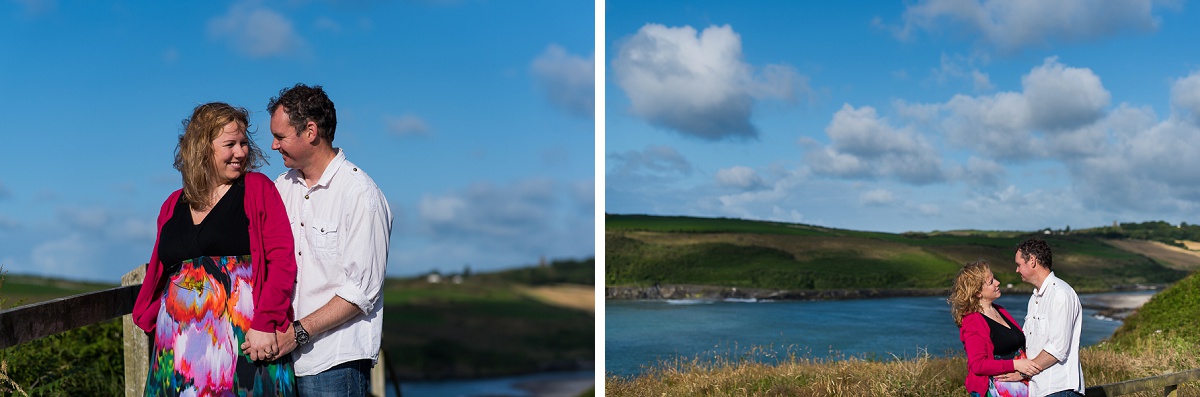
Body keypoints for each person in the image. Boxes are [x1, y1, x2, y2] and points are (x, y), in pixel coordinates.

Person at [132, 102, 297, 396]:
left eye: (244, 143)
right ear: (201, 148)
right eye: (230, 144)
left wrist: (266, 322)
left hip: (245, 342)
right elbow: (160, 268)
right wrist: (152, 318)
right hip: (178, 349)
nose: (241, 152)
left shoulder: (257, 189)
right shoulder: (173, 204)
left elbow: (281, 261)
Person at [262, 83, 393, 396]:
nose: (273, 145)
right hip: (283, 362)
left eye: (280, 137)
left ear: (310, 131)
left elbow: (362, 290)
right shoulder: (281, 188)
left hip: (335, 363)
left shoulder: (360, 194)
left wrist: (298, 333)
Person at [950, 260, 1042, 397]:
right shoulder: (972, 321)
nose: (997, 282)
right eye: (991, 281)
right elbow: (978, 365)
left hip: (1021, 386)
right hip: (994, 391)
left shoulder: (1000, 310)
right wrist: (1015, 365)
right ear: (977, 293)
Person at [1015, 238, 1085, 397]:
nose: (1017, 270)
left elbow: (1057, 348)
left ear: (1032, 261)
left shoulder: (1060, 294)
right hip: (1040, 389)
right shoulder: (1034, 298)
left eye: (1019, 265)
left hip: (1059, 388)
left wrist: (1023, 373)